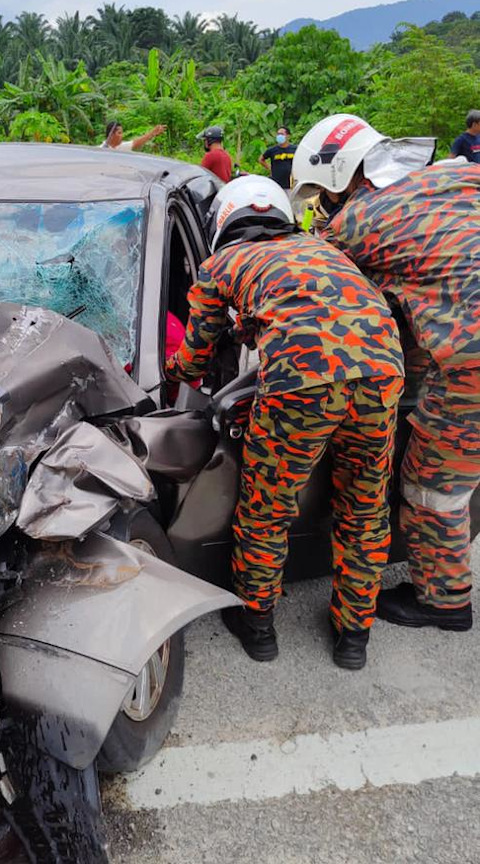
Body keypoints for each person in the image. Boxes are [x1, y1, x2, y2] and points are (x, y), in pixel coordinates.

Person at [166, 176, 404, 670]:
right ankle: (353, 637)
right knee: (364, 507)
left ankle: (258, 626)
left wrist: (171, 373)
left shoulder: (222, 263)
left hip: (302, 381)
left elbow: (193, 357)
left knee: (268, 506)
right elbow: (320, 306)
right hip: (383, 371)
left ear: (225, 221)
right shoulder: (322, 248)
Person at [293, 113, 480, 633]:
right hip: (464, 351)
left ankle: (444, 602)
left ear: (342, 180)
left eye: (322, 195)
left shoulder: (354, 224)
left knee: (432, 483)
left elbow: (317, 283)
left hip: (472, 363)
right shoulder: (455, 174)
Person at [100, 121, 166, 152]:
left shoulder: (121, 147)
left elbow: (137, 142)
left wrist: (153, 133)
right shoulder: (100, 150)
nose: (122, 136)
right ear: (111, 135)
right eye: (119, 133)